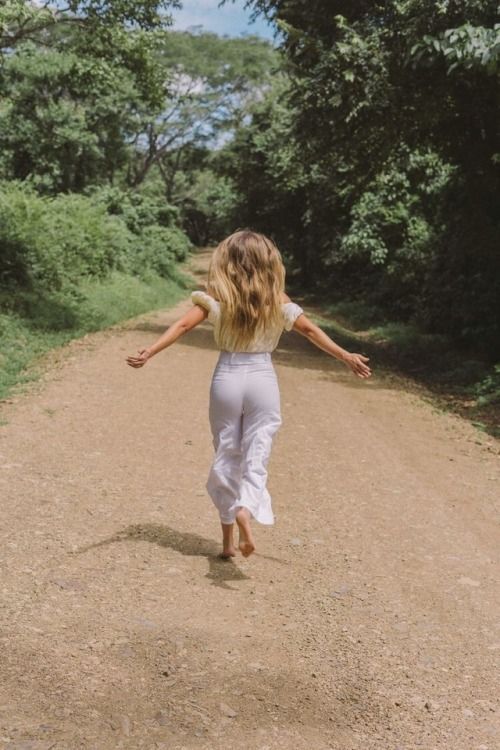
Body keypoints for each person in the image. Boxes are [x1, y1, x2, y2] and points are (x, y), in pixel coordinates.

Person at [126, 229, 371, 559]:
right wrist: (346, 356)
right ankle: (246, 505)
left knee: (227, 451)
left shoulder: (218, 295)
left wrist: (150, 352)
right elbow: (311, 331)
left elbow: (183, 326)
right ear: (269, 261)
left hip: (227, 376)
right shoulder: (277, 299)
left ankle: (227, 542)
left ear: (226, 261)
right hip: (261, 378)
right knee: (258, 447)